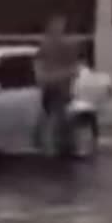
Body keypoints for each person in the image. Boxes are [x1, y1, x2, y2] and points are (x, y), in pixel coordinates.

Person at [34, 15, 78, 157]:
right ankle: (55, 147)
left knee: (58, 118)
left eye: (60, 27)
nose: (58, 30)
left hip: (59, 90)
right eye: (56, 26)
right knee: (54, 118)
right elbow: (39, 69)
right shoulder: (45, 46)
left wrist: (54, 76)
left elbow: (74, 70)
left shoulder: (67, 47)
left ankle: (58, 147)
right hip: (51, 90)